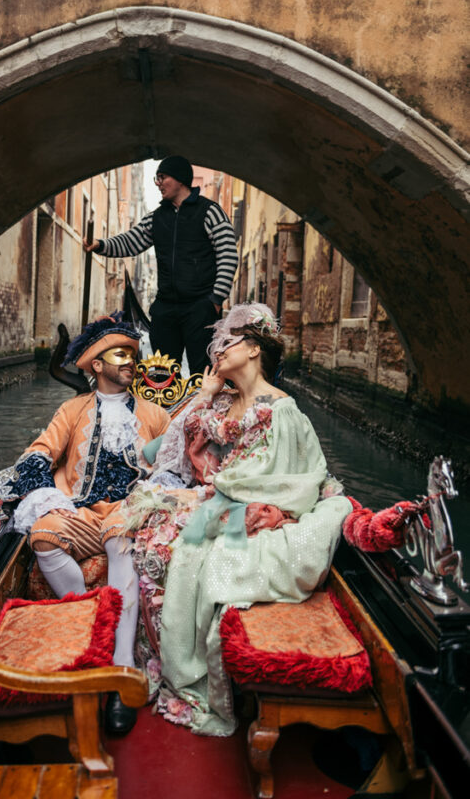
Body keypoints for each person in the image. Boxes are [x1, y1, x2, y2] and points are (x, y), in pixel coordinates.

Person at [119, 303, 352, 735]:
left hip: (242, 502)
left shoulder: (281, 408)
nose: (216, 352)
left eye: (225, 344)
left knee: (177, 544)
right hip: (218, 496)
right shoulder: (225, 401)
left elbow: (279, 474)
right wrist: (206, 394)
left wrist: (228, 492)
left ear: (252, 348)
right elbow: (172, 445)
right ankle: (152, 659)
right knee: (149, 534)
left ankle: (183, 667)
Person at [0, 313, 171, 735]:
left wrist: (153, 492)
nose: (131, 362)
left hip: (129, 511)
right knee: (43, 535)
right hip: (79, 510)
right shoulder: (72, 410)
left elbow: (173, 465)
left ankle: (120, 670)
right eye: (120, 355)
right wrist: (49, 497)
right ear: (95, 364)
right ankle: (98, 635)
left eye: (133, 354)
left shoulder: (155, 414)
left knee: (120, 539)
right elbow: (38, 452)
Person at [83, 156, 238, 375]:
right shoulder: (156, 218)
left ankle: (201, 409)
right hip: (166, 306)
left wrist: (215, 300)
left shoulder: (210, 212)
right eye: (157, 177)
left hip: (200, 306)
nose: (158, 183)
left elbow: (228, 254)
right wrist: (100, 245)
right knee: (162, 373)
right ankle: (164, 409)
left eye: (162, 177)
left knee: (202, 371)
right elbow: (130, 242)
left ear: (180, 179)